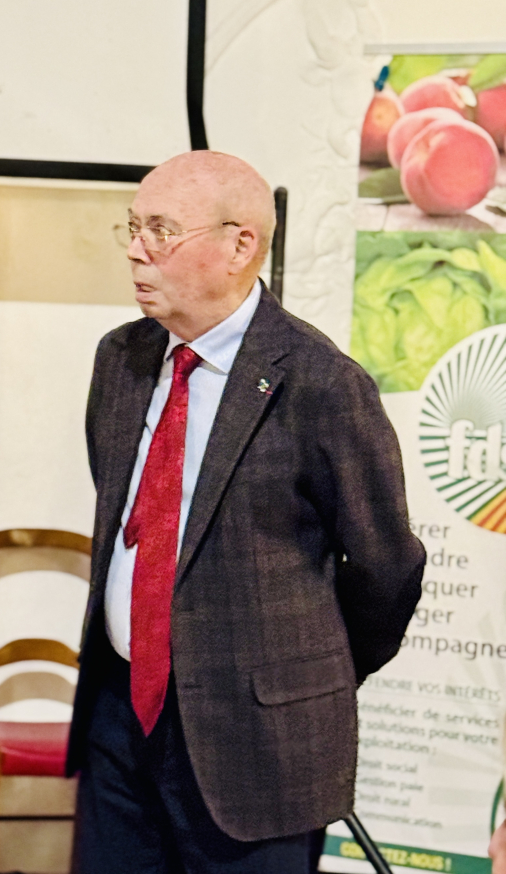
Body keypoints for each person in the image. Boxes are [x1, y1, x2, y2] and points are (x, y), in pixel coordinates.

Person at [67, 150, 425, 874]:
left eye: (162, 230)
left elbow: (386, 567)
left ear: (240, 246)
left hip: (258, 747)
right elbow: (123, 510)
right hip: (120, 721)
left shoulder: (322, 384)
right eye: (133, 227)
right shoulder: (122, 359)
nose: (136, 249)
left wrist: (303, 677)